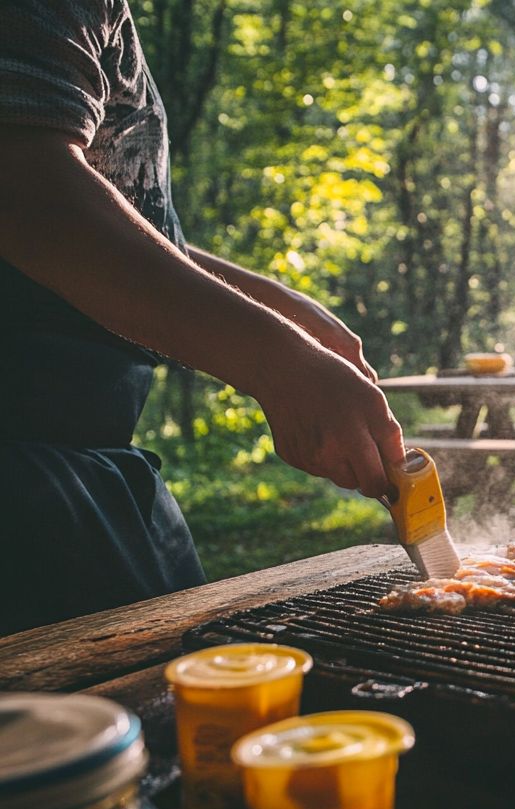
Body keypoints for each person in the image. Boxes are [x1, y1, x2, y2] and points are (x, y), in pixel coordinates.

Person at [0, 0, 405, 633]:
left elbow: (128, 223)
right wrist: (278, 364)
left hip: (90, 468)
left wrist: (280, 307)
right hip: (25, 477)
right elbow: (26, 190)